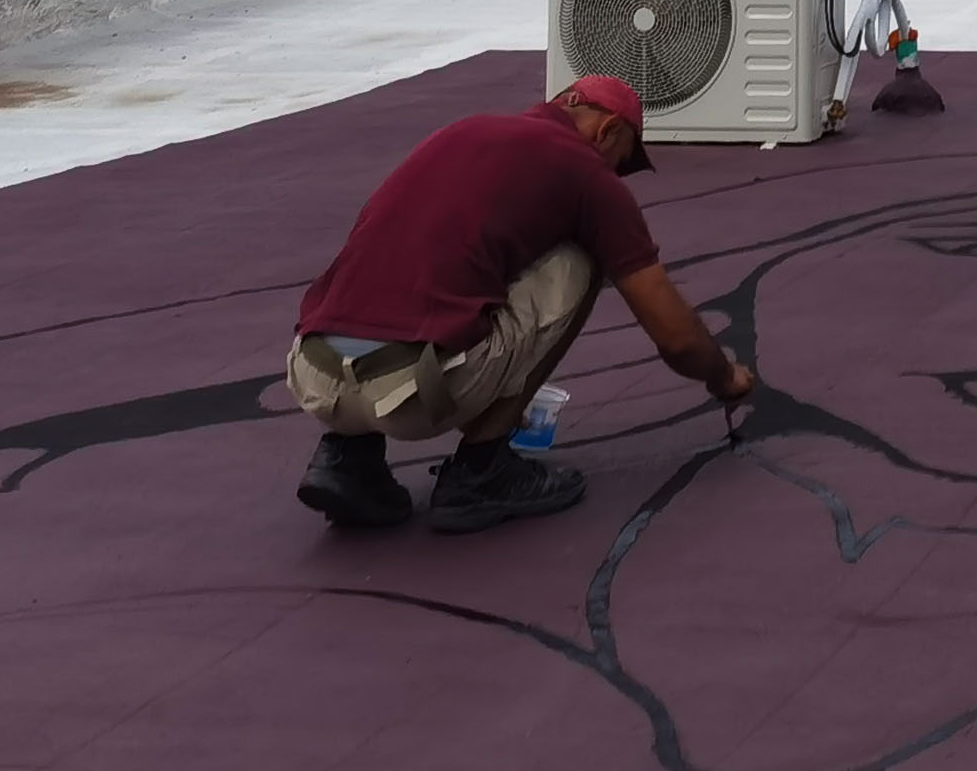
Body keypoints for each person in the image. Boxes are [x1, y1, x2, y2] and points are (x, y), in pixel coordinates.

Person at [287, 73, 756, 534]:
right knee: (583, 258)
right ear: (608, 129)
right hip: (414, 391)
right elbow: (675, 338)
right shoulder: (589, 176)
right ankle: (481, 471)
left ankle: (348, 459)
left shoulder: (463, 131)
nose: (618, 173)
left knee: (409, 266)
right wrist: (724, 377)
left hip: (314, 375)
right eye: (622, 160)